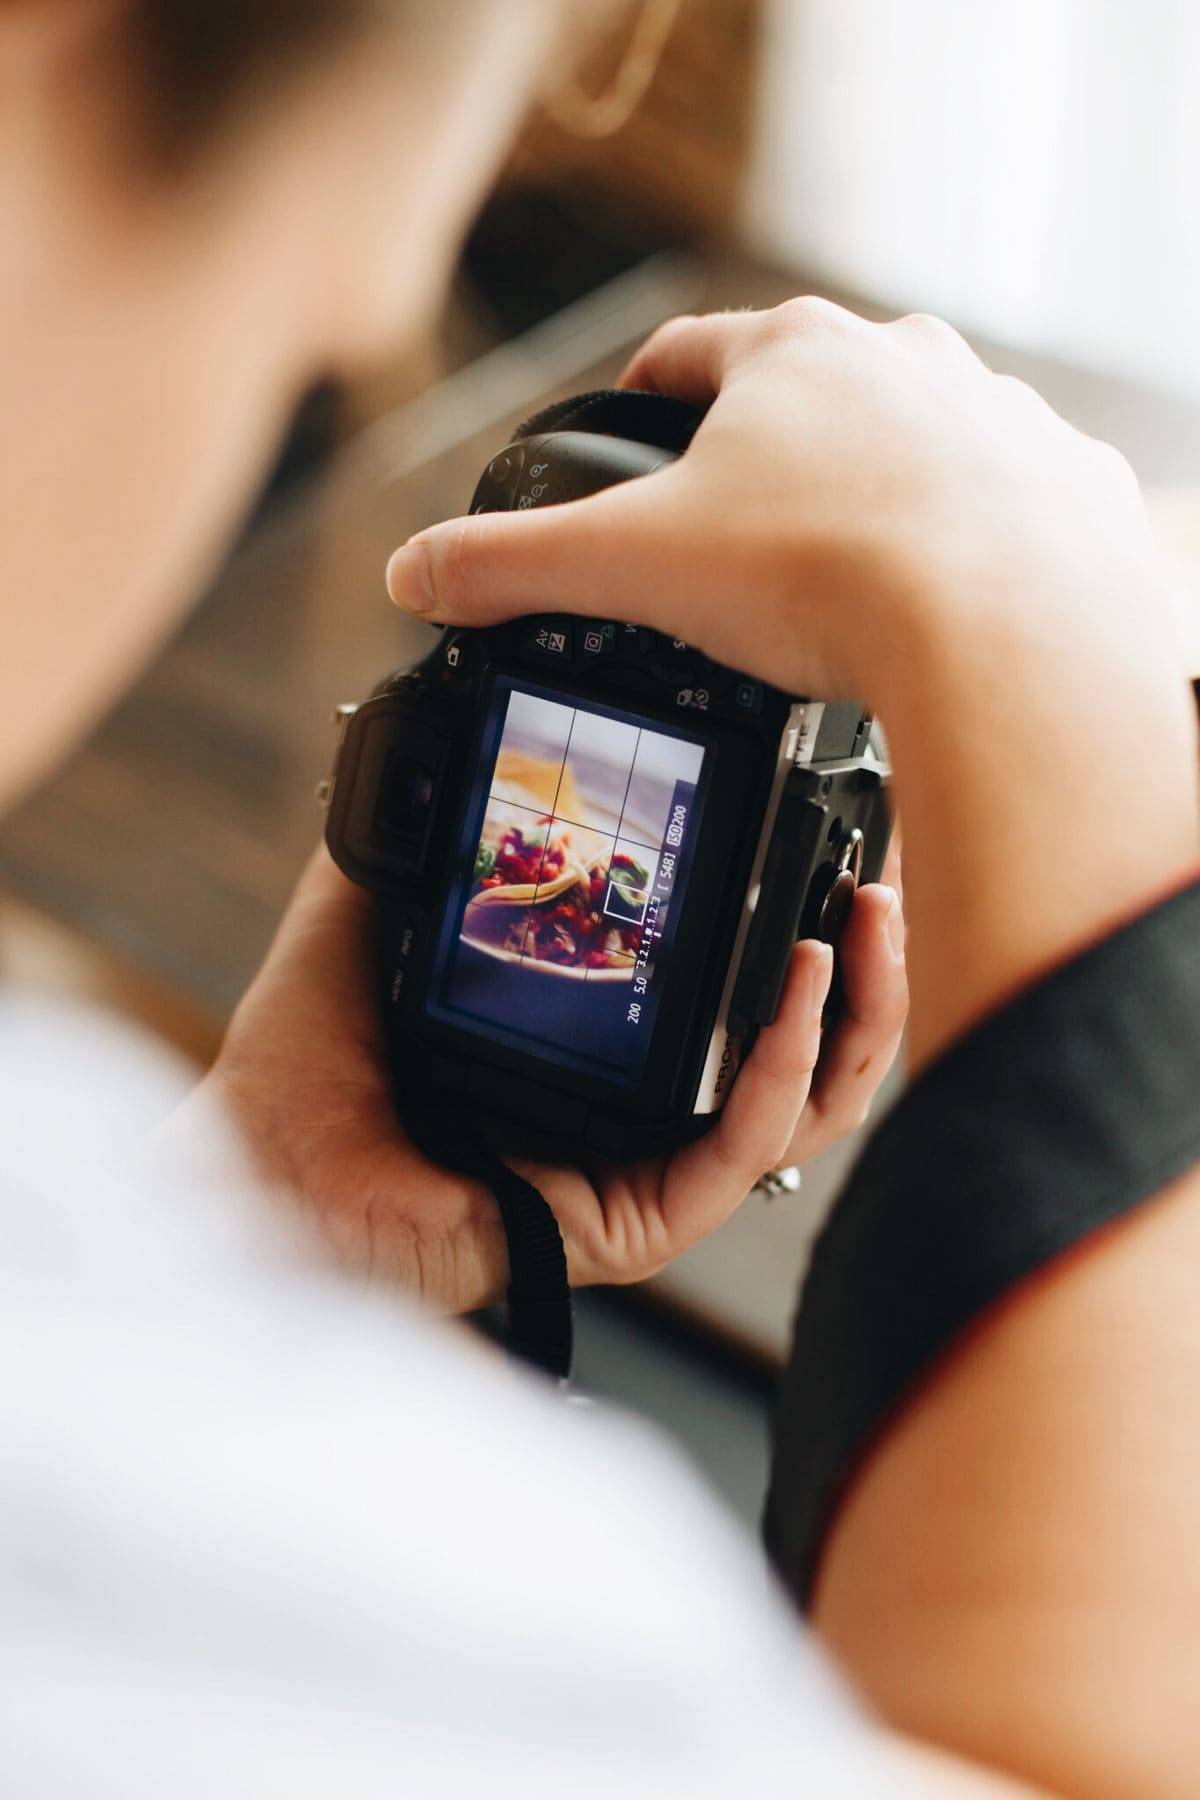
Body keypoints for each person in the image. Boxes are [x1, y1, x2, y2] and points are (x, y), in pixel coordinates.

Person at [1, 2, 1197, 1795]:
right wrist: (1053, 642)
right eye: (344, 295)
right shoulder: (487, 1613)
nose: (356, 333)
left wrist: (234, 1231)